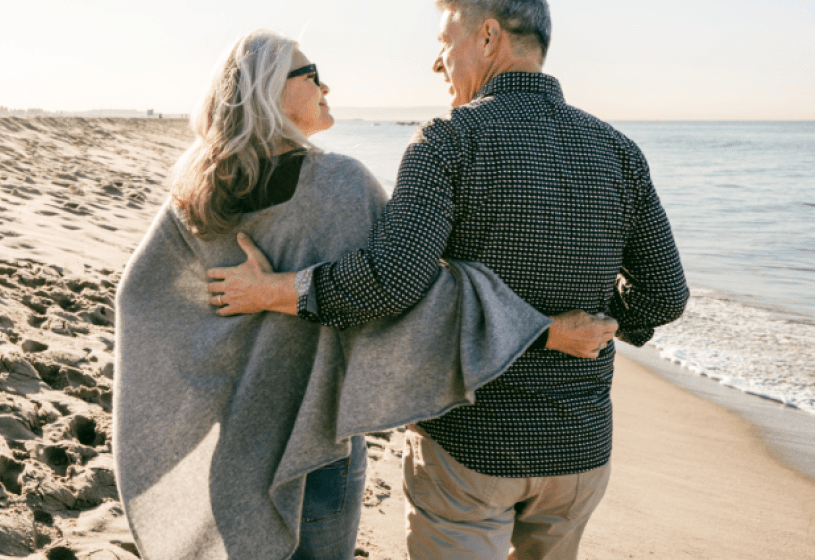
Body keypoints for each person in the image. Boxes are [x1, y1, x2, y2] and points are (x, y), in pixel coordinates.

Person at [208, 0, 689, 560]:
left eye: (445, 41)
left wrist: (276, 291)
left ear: (488, 37)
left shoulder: (448, 140)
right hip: (579, 450)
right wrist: (602, 323)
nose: (438, 62)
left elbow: (390, 283)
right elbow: (664, 295)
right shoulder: (617, 149)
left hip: (470, 448)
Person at [114, 30, 566, 560]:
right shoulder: (339, 186)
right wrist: (543, 328)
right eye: (311, 74)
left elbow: (138, 300)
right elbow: (412, 293)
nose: (325, 84)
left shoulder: (198, 192)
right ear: (269, 91)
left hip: (232, 442)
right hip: (313, 445)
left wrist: (225, 342)